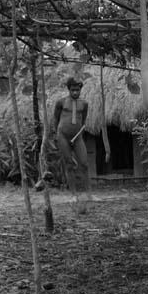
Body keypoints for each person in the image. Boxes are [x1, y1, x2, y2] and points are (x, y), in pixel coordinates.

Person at [54, 77, 92, 206]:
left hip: (78, 137)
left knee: (85, 164)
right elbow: (56, 119)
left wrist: (79, 133)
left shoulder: (84, 104)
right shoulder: (61, 102)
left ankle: (89, 194)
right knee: (69, 164)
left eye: (77, 90)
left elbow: (83, 121)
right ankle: (73, 195)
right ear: (69, 89)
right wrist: (56, 135)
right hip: (63, 136)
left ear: (81, 89)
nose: (75, 92)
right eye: (73, 90)